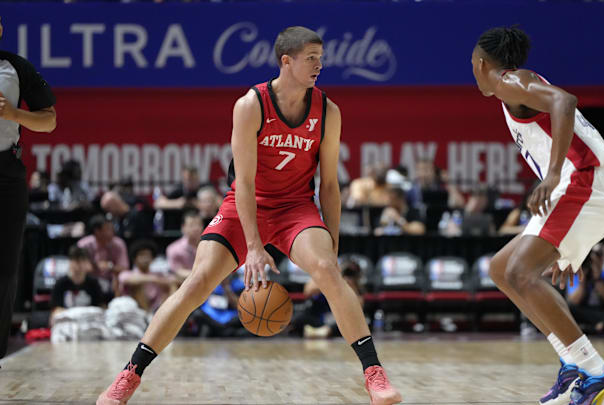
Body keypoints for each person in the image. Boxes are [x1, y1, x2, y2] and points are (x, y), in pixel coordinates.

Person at [97, 26, 401, 405]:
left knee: (327, 270)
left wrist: (332, 246)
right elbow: (243, 182)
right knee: (196, 284)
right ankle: (129, 375)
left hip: (295, 208)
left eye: (321, 58)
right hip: (247, 204)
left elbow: (329, 186)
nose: (320, 65)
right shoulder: (250, 105)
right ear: (286, 61)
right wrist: (254, 248)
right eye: (312, 58)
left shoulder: (328, 111)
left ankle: (374, 374)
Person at [472, 27, 604, 405]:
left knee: (519, 272)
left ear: (480, 63)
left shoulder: (512, 81)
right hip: (586, 189)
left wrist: (555, 172)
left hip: (586, 181)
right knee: (502, 269)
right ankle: (573, 363)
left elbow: (564, 101)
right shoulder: (514, 88)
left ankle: (597, 372)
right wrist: (575, 246)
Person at [0, 15, 57, 360]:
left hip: (5, 173)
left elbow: (49, 120)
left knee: (5, 268)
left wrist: (13, 114)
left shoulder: (15, 68)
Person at [50, 246, 106, 325]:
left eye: (83, 260)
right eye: (76, 260)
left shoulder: (93, 283)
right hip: (68, 322)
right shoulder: (61, 283)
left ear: (88, 263)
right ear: (70, 262)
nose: (79, 264)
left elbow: (100, 306)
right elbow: (56, 309)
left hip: (89, 322)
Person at [78, 215, 130, 299]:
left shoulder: (119, 243)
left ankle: (118, 303)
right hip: (90, 279)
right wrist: (96, 266)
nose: (112, 232)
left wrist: (110, 266)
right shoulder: (84, 245)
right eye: (108, 229)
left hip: (111, 280)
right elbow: (80, 267)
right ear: (97, 231)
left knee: (123, 277)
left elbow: (124, 268)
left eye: (112, 229)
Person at [119, 240, 175, 313]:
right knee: (137, 285)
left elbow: (173, 280)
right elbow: (125, 279)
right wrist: (153, 279)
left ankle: (170, 313)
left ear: (152, 258)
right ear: (134, 258)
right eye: (142, 255)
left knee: (172, 285)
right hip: (135, 309)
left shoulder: (158, 274)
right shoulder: (128, 273)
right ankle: (147, 314)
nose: (145, 258)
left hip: (157, 307)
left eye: (148, 255)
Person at [166, 210, 204, 281]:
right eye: (191, 225)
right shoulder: (173, 249)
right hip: (183, 284)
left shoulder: (208, 246)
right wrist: (201, 275)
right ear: (183, 228)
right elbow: (178, 272)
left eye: (199, 224)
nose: (196, 228)